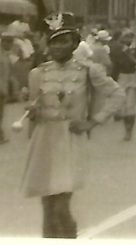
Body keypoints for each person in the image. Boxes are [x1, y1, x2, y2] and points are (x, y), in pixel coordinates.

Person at [21, 14, 123, 238]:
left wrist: (93, 122)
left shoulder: (88, 70)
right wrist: (32, 111)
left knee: (60, 209)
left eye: (63, 41)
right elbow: (33, 108)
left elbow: (117, 94)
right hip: (44, 141)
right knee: (47, 210)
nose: (57, 46)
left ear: (75, 44)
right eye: (54, 41)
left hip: (69, 141)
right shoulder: (38, 73)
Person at [109, 31, 136, 141]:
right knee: (122, 105)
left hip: (134, 77)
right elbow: (115, 66)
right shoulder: (117, 50)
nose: (127, 40)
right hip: (122, 78)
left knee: (130, 106)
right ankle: (126, 127)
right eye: (125, 37)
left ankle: (129, 131)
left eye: (129, 37)